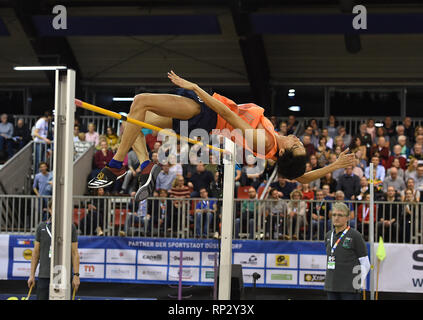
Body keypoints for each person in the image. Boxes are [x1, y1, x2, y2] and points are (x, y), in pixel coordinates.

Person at [86, 71, 355, 201]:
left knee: (141, 100)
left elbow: (228, 115)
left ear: (285, 152)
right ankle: (145, 165)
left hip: (205, 113)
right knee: (131, 122)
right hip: (205, 120)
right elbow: (299, 176)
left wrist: (196, 88)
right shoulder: (275, 152)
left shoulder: (264, 142)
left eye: (295, 145)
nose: (297, 139)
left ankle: (117, 164)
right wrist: (334, 165)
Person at [27, 200, 79, 300]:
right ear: (49, 210)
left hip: (62, 274)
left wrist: (76, 276)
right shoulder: (41, 227)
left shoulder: (70, 227)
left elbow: (74, 253)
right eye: (54, 208)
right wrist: (32, 275)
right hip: (44, 275)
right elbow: (36, 253)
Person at [324, 202, 370, 300]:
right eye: (334, 215)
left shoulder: (355, 236)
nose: (336, 218)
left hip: (350, 289)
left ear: (348, 218)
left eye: (340, 215)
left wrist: (357, 283)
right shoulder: (328, 235)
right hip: (331, 286)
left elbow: (365, 263)